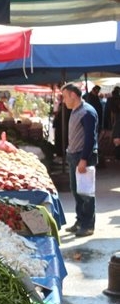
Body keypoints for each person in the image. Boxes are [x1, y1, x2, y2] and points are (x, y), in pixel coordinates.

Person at [61, 83, 99, 237]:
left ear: (73, 95)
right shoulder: (75, 111)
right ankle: (80, 220)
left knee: (86, 193)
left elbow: (90, 139)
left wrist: (83, 159)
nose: (63, 101)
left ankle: (88, 225)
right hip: (73, 156)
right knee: (76, 190)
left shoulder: (87, 112)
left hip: (83, 157)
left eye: (65, 97)